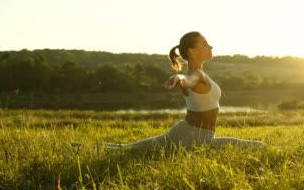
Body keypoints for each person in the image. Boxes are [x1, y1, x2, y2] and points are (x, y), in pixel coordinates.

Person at [106, 31, 263, 150]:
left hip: (191, 134)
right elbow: (187, 80)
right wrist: (177, 78)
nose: (210, 46)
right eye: (205, 44)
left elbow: (192, 84)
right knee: (126, 149)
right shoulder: (195, 74)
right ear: (192, 51)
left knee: (126, 148)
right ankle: (86, 147)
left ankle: (90, 146)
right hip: (192, 137)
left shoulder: (200, 73)